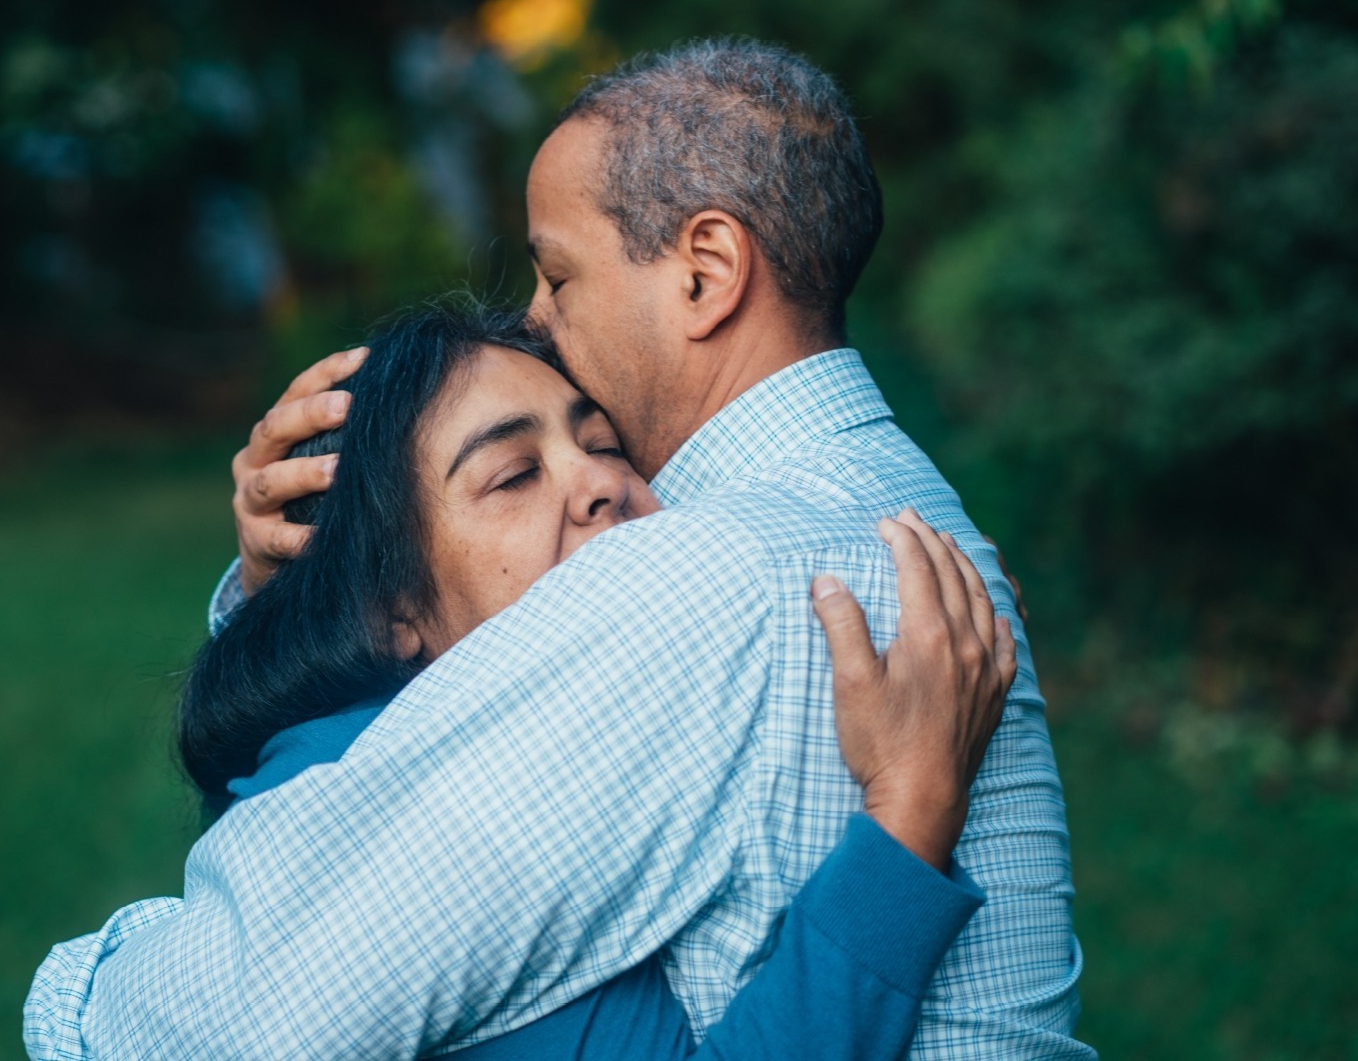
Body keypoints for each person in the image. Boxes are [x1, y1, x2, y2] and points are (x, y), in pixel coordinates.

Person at [31, 39, 1087, 1059]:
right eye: (513, 469)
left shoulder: (698, 577)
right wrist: (294, 590)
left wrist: (79, 985)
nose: (535, 322)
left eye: (559, 277)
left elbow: (229, 1017)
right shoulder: (892, 513)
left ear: (706, 272)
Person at [152, 302, 1010, 1059]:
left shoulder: (351, 743)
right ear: (390, 609)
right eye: (515, 475)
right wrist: (911, 810)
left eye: (602, 443)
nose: (602, 481)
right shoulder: (464, 841)